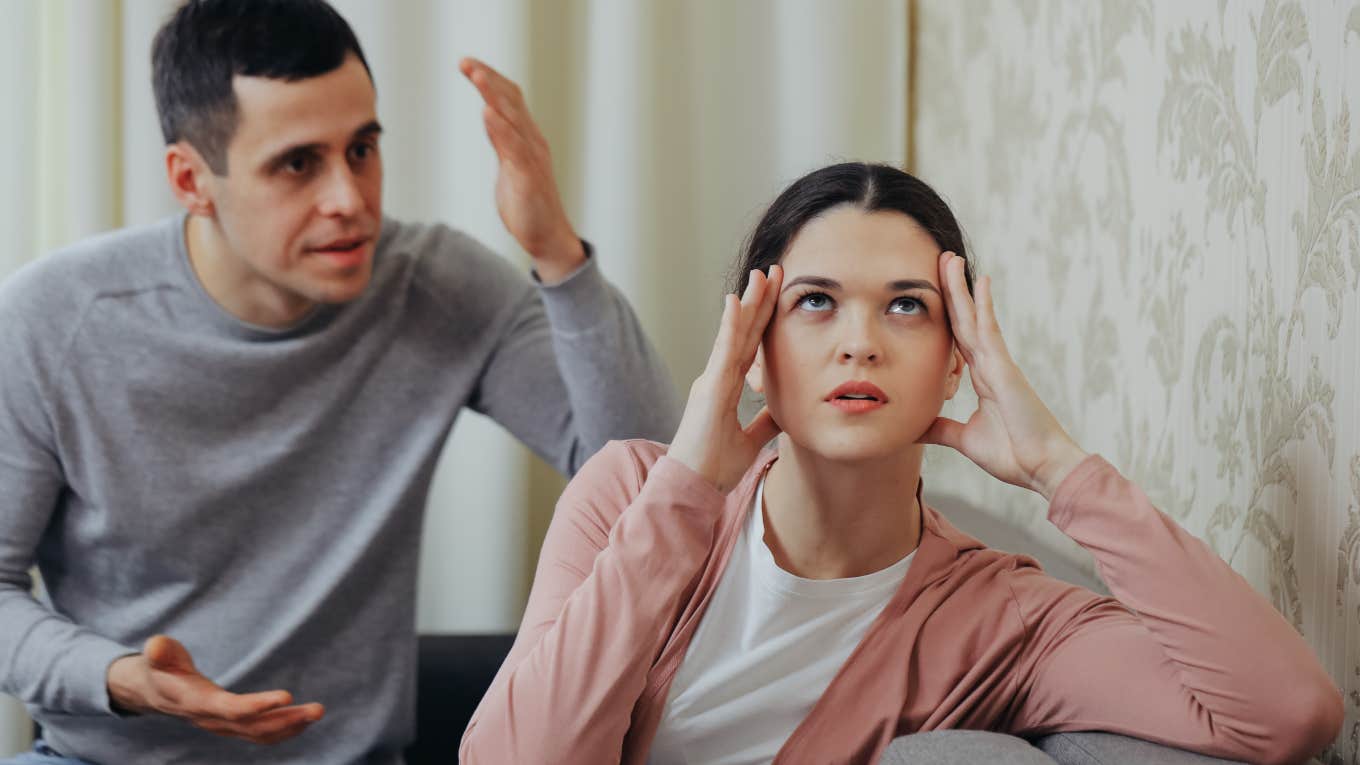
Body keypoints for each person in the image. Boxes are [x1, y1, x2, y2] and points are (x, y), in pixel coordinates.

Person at [460, 162, 1344, 765]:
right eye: (814, 302)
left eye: (907, 308)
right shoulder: (627, 493)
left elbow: (1289, 711)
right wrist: (687, 489)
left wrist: (1056, 468)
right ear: (754, 349)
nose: (859, 344)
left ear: (959, 358)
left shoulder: (1003, 619)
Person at [0, 1, 680, 763]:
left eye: (362, 149)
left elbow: (654, 485)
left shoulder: (437, 286)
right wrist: (120, 677)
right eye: (298, 163)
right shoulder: (52, 320)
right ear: (191, 179)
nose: (350, 200)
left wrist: (557, 251)